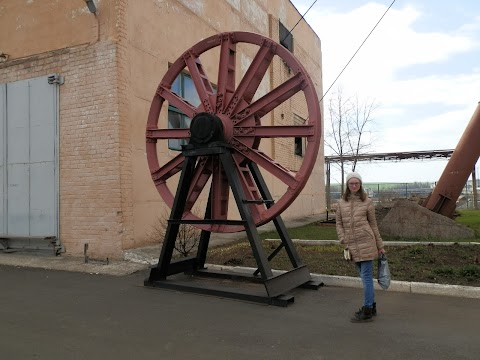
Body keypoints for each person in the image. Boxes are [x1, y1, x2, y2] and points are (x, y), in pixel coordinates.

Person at [335, 172, 385, 323]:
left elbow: (373, 225)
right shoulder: (341, 203)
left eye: (357, 183)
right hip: (351, 245)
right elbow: (338, 223)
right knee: (364, 277)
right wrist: (342, 237)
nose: (354, 186)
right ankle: (372, 305)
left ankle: (367, 310)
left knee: (366, 278)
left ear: (360, 185)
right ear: (347, 185)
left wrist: (380, 245)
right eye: (351, 183)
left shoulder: (367, 202)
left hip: (366, 243)